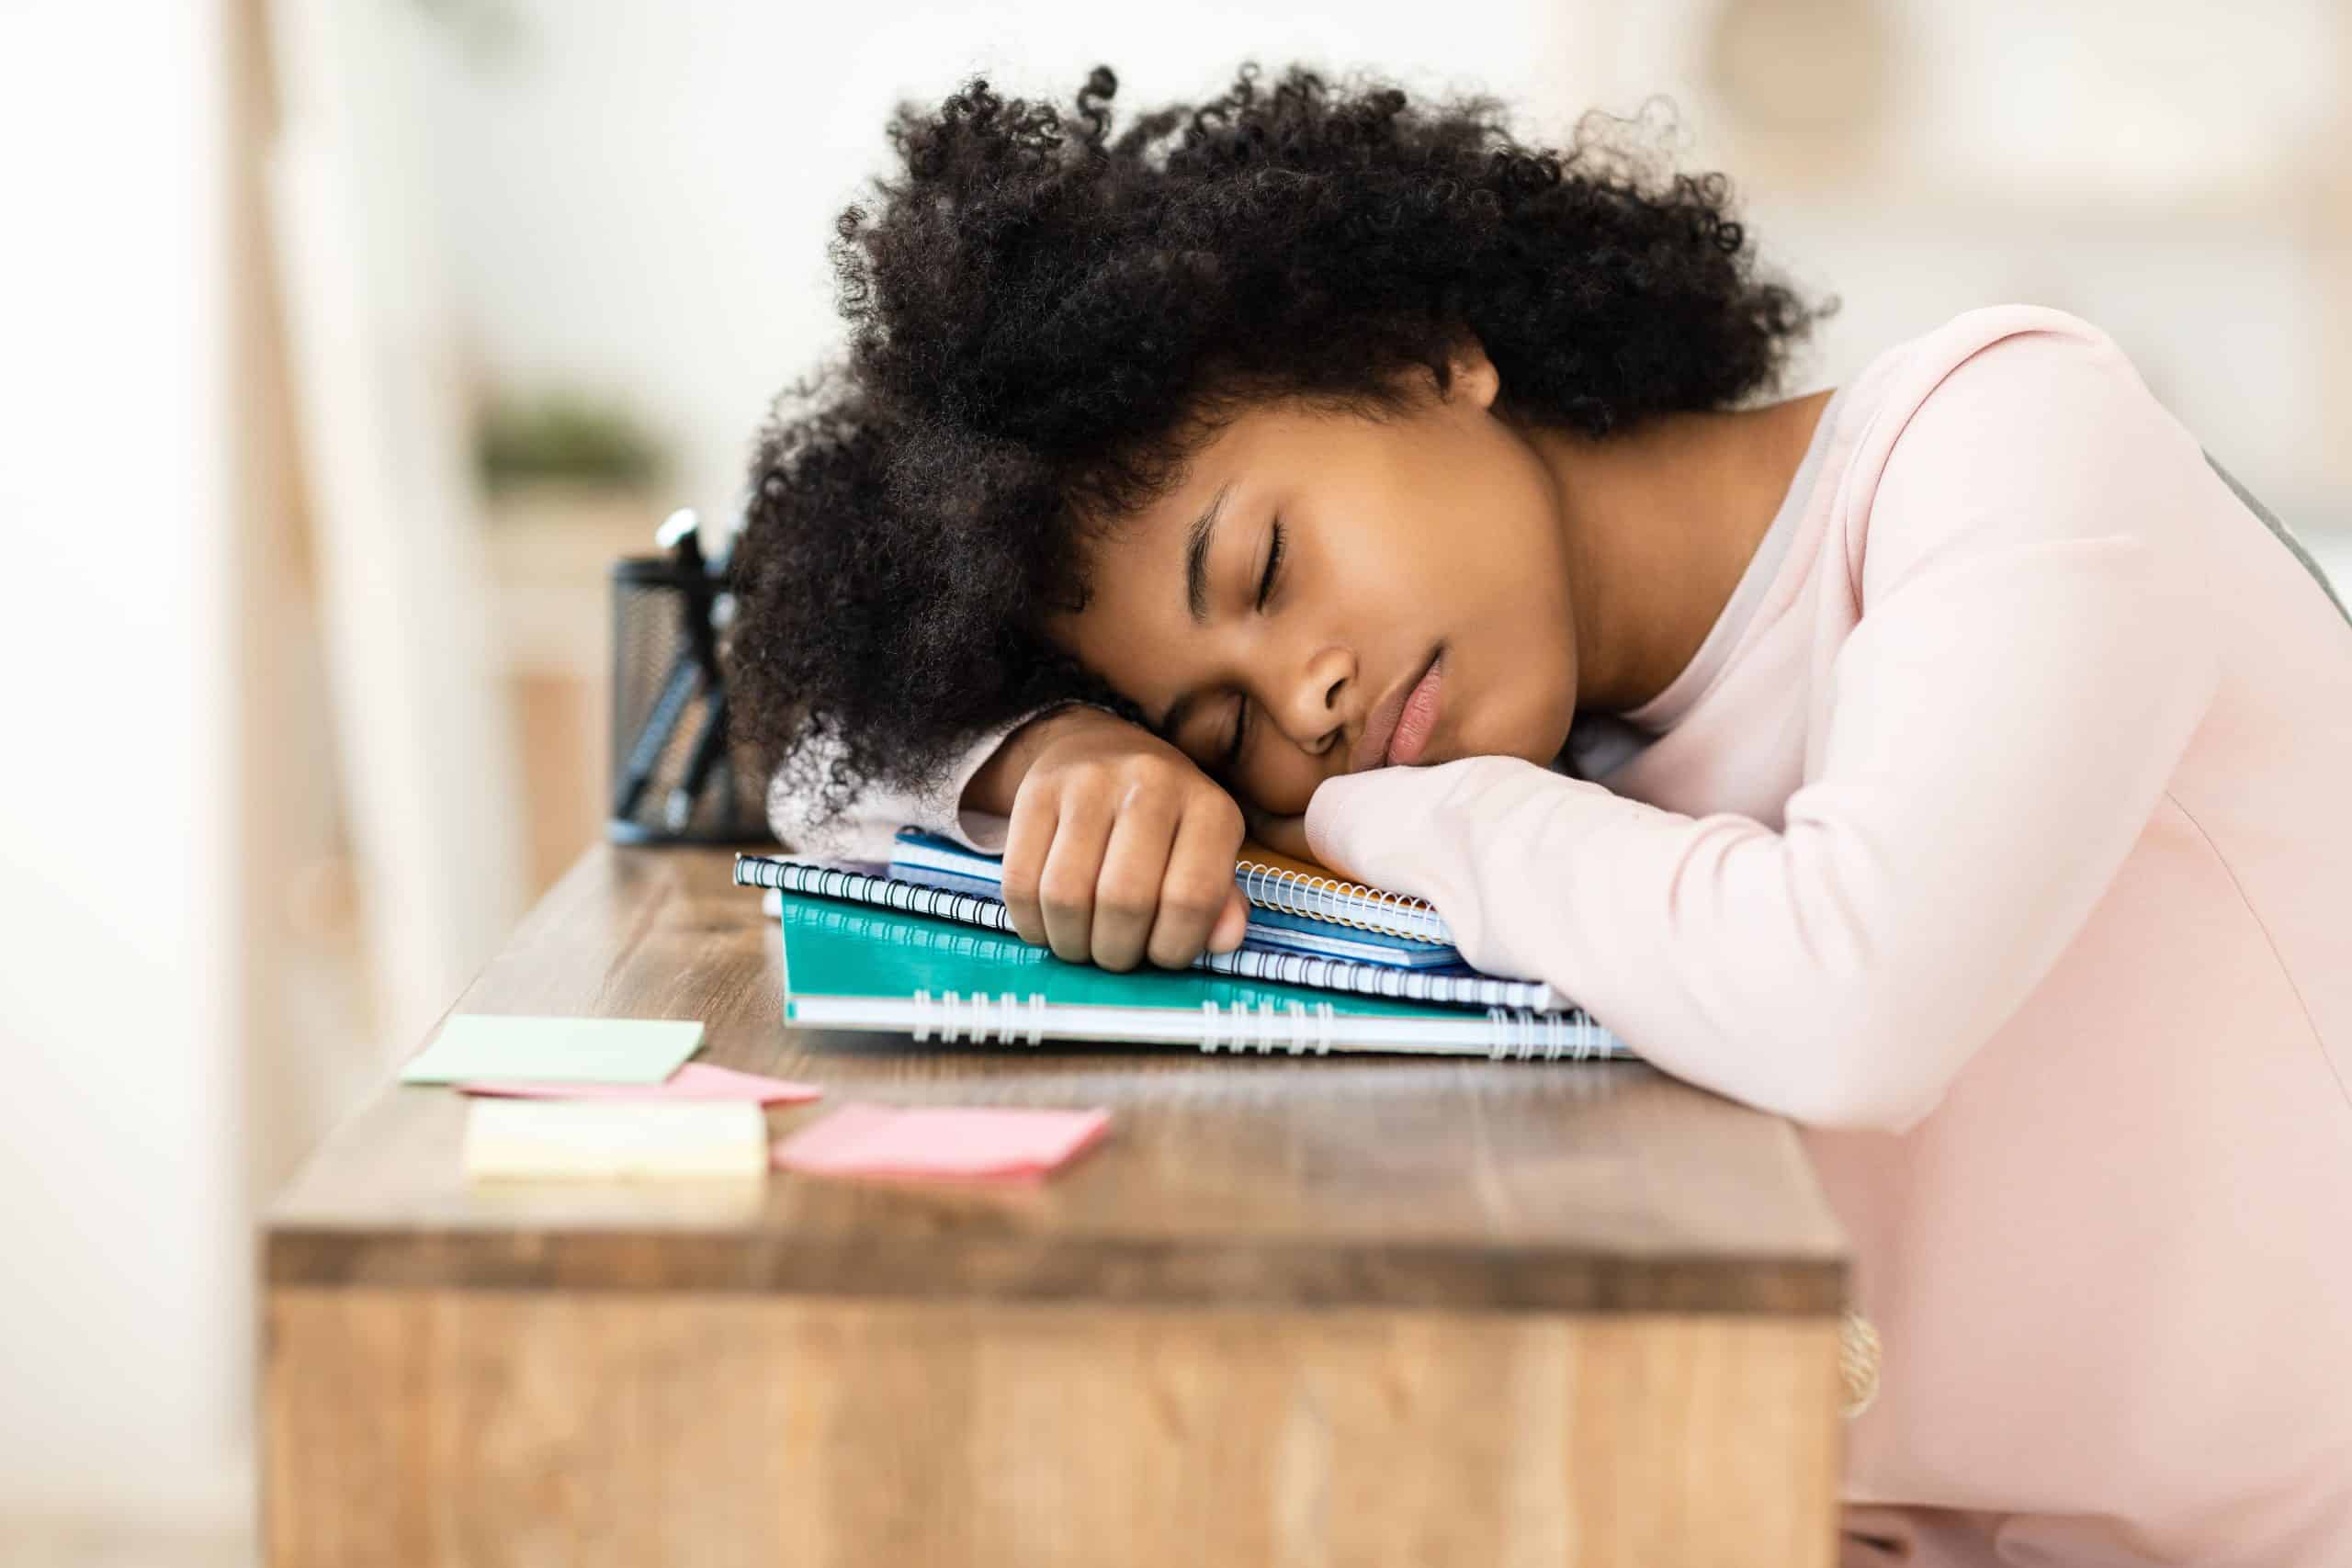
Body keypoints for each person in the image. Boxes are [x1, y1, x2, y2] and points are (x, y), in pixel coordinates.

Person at [727, 63, 2352, 1565]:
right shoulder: (1591, 759)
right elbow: (802, 776)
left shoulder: (2006, 445)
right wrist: (1054, 755)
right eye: (1223, 725)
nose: (1302, 706)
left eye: (1267, 572)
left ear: (1422, 358)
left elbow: (1856, 1001)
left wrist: (1384, 818)